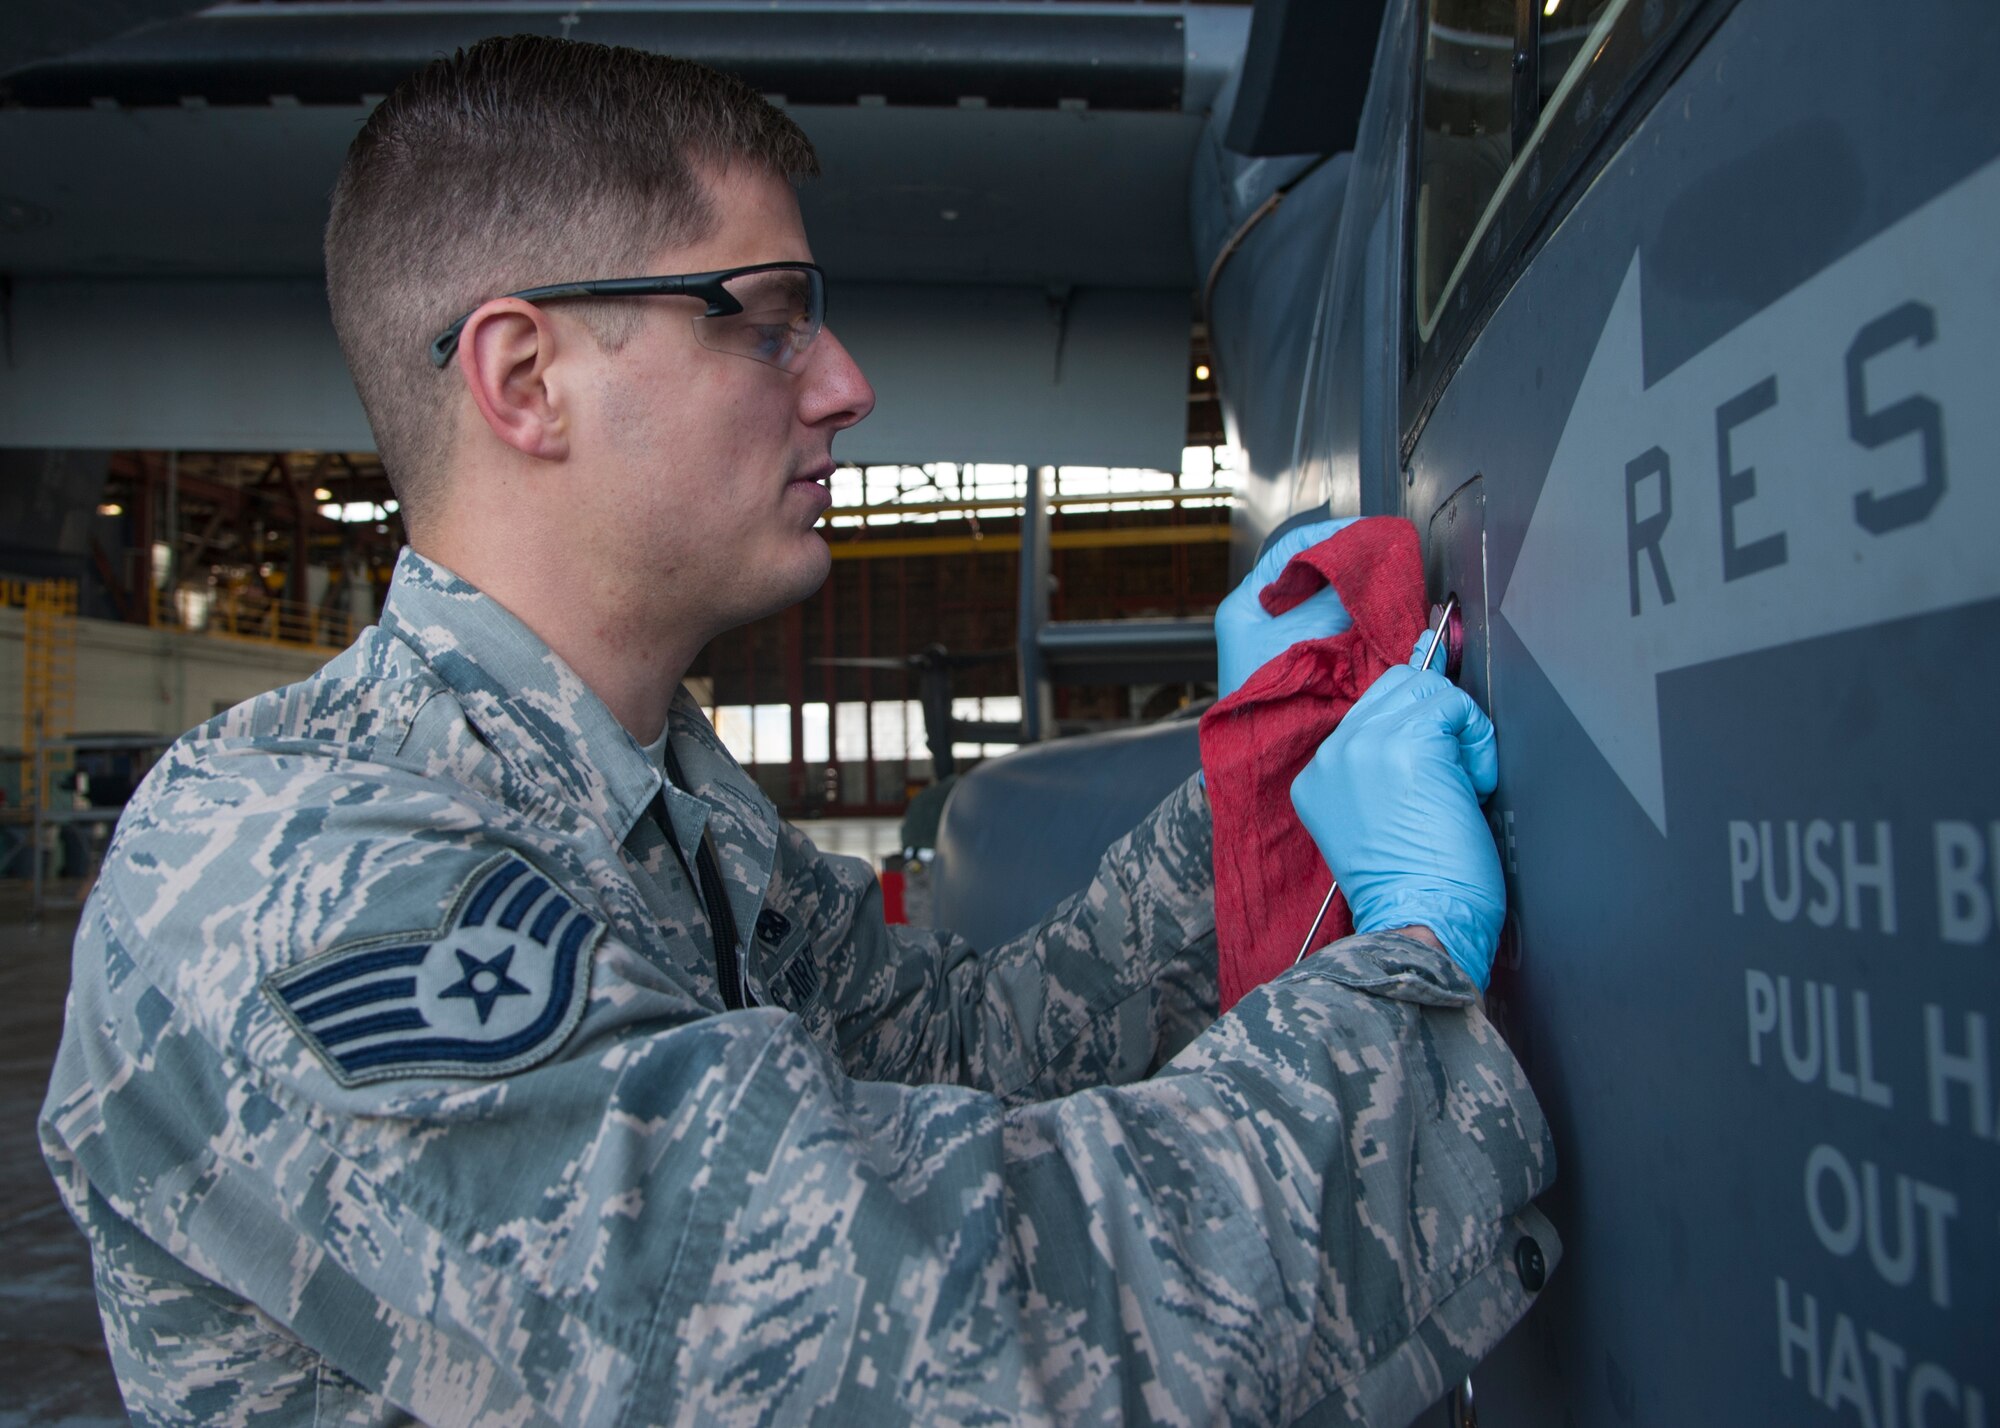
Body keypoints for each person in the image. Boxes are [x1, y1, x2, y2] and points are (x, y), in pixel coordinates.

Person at [40, 35, 1555, 1427]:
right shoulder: (282, 876)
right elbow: (924, 1347)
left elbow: (977, 1051)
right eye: (761, 323)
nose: (844, 384)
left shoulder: (670, 810)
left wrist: (1261, 786)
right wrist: (1404, 987)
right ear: (526, 378)